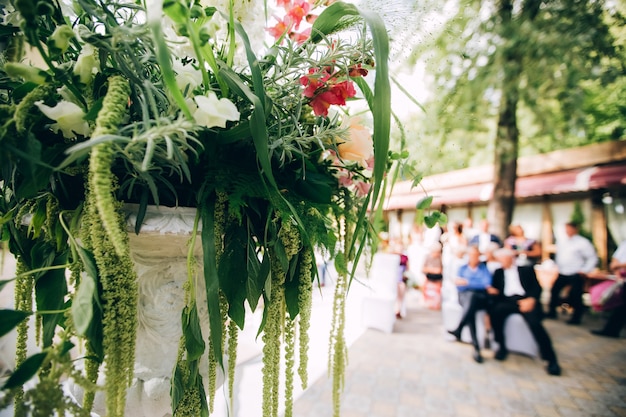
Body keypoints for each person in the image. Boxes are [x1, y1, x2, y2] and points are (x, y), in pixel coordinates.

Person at [490, 249, 561, 376]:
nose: (500, 262)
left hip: (526, 299)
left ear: (510, 258)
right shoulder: (498, 272)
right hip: (507, 301)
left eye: (502, 259)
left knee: (535, 324)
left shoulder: (526, 269)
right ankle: (501, 346)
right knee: (495, 313)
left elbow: (537, 288)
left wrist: (531, 299)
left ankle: (551, 359)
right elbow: (496, 291)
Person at [447, 245, 493, 363]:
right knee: (470, 304)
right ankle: (476, 348)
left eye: (476, 255)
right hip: (464, 296)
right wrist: (473, 283)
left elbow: (486, 284)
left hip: (479, 298)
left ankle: (459, 329)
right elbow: (458, 284)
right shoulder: (462, 268)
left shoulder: (484, 268)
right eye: (471, 255)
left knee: (471, 301)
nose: (473, 257)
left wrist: (467, 282)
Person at [547, 222, 598, 325]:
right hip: (563, 272)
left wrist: (585, 270)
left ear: (575, 229)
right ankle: (552, 312)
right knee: (554, 291)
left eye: (569, 229)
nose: (567, 231)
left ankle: (576, 317)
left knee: (575, 295)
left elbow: (592, 258)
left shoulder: (583, 243)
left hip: (575, 272)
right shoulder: (562, 241)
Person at [590, 240, 626, 338]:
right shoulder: (624, 244)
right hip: (622, 278)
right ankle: (611, 330)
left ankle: (611, 330)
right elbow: (615, 259)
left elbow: (617, 264)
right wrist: (617, 271)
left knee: (621, 307)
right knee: (621, 306)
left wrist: (619, 266)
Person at [422, 242, 444, 310]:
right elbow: (423, 268)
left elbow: (440, 269)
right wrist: (433, 270)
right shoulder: (427, 257)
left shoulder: (440, 258)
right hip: (429, 276)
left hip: (437, 278)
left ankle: (436, 303)